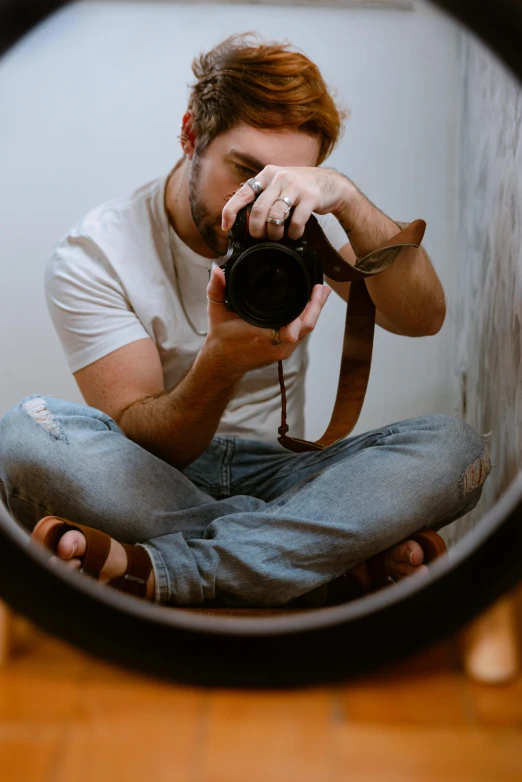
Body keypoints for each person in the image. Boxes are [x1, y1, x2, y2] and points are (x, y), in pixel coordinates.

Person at [0, 33, 491, 607]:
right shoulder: (97, 253)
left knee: (456, 448)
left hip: (288, 471)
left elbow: (423, 318)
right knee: (25, 434)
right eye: (244, 170)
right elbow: (146, 439)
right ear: (191, 135)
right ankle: (316, 559)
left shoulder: (297, 225)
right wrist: (222, 361)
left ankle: (167, 570)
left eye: (285, 180)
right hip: (159, 480)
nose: (259, 201)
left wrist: (345, 200)